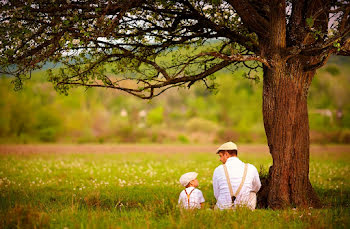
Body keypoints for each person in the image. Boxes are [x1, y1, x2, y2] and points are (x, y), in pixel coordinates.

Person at [213, 141, 261, 210]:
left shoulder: (218, 170)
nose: (220, 159)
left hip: (223, 209)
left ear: (226, 154)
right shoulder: (251, 168)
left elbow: (216, 194)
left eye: (220, 156)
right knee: (252, 192)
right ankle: (248, 211)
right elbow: (257, 187)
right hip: (244, 208)